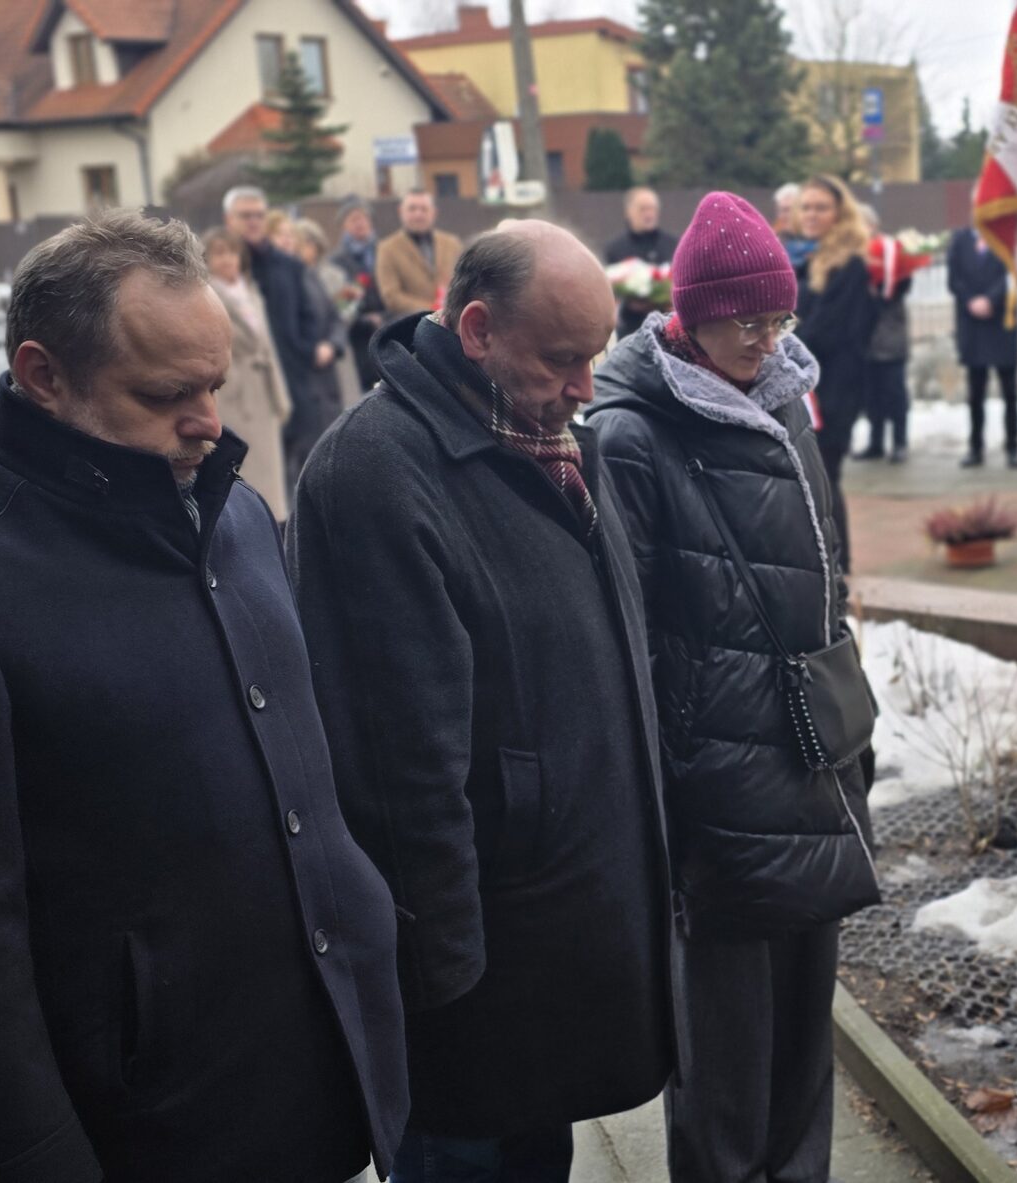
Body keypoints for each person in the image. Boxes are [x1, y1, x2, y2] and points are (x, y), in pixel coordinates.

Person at [0, 210, 409, 1183]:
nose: (209, 421)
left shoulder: (235, 512)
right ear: (44, 375)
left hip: (322, 1078)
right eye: (165, 393)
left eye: (215, 383)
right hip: (157, 1131)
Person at [288, 222, 672, 1183]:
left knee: (535, 1152)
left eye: (596, 355)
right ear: (476, 330)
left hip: (542, 944)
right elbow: (399, 763)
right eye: (562, 358)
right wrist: (440, 981)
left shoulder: (543, 435)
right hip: (468, 979)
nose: (586, 386)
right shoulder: (374, 471)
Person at [586, 192, 881, 1183]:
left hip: (808, 752)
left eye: (778, 317)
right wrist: (667, 782)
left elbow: (823, 570)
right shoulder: (629, 434)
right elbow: (628, 633)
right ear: (691, 315)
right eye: (745, 320)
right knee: (723, 1054)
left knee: (804, 1036)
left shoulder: (785, 399)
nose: (766, 338)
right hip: (713, 782)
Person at [225, 186, 345, 495]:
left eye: (258, 215)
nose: (253, 222)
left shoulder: (288, 266)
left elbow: (309, 316)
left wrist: (304, 353)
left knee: (301, 474)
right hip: (246, 389)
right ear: (229, 220)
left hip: (294, 381)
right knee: (253, 479)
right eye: (245, 216)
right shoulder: (222, 267)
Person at [790, 175, 877, 568]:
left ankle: (840, 568)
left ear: (839, 214)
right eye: (806, 206)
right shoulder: (804, 259)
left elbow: (824, 330)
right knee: (807, 481)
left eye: (821, 207)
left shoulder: (850, 265)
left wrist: (780, 338)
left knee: (825, 478)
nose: (811, 214)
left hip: (835, 390)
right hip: (805, 387)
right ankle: (818, 565)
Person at [203, 229, 296, 519]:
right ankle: (246, 521)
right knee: (244, 465)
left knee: (270, 469)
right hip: (235, 390)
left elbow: (268, 347)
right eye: (219, 253)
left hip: (262, 389)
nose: (227, 259)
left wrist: (280, 395)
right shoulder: (207, 294)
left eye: (232, 252)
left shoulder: (250, 291)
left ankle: (271, 521)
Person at [947, 225, 1017, 469]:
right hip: (972, 325)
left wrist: (991, 299)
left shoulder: (1006, 237)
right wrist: (971, 301)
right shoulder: (960, 240)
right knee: (976, 392)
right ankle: (975, 448)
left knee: (1010, 392)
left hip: (1001, 323)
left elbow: (1015, 273)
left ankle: (1013, 447)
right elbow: (953, 278)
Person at [857, 206, 912, 464]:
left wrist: (878, 289)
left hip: (889, 336)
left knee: (895, 394)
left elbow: (900, 288)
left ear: (873, 225)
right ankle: (875, 443)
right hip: (864, 340)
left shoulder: (891, 254)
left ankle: (900, 442)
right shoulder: (855, 256)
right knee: (871, 396)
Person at [291, 217, 365, 402]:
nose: (298, 249)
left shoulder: (335, 275)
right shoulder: (292, 276)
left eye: (304, 243)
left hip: (336, 350)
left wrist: (332, 339)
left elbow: (347, 312)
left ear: (316, 246)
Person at [602, 186, 680, 340]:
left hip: (668, 329)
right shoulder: (615, 248)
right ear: (628, 212)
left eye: (652, 209)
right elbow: (611, 293)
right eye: (642, 209)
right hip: (631, 330)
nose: (649, 214)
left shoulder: (674, 244)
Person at [377, 190, 463, 319]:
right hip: (411, 323)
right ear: (400, 211)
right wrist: (432, 308)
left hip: (453, 320)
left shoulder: (452, 244)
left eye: (424, 209)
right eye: (412, 209)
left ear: (434, 213)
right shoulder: (387, 249)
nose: (418, 214)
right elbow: (391, 296)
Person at [332, 196, 387, 386]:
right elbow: (341, 305)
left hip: (389, 327)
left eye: (363, 218)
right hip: (360, 338)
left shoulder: (385, 251)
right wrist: (364, 319)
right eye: (353, 219)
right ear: (344, 225)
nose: (360, 223)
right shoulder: (338, 262)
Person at [773, 182, 812, 268]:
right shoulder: (773, 238)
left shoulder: (817, 239)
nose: (783, 215)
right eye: (782, 210)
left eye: (789, 210)